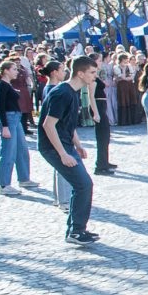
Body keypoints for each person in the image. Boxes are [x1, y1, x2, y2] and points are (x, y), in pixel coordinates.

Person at [38, 56, 98, 245]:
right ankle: (76, 231)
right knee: (83, 185)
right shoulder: (62, 93)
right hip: (54, 148)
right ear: (80, 73)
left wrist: (78, 145)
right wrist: (63, 154)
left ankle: (76, 230)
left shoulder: (72, 92)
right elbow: (48, 125)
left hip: (66, 145)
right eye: (92, 72)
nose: (95, 76)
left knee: (83, 185)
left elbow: (67, 124)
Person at [0, 60, 39, 196]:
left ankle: (24, 178)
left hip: (16, 118)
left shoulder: (9, 85)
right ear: (5, 71)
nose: (17, 72)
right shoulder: (1, 85)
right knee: (8, 152)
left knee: (22, 150)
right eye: (14, 69)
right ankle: (4, 184)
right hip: (8, 119)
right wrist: (5, 126)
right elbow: (0, 107)